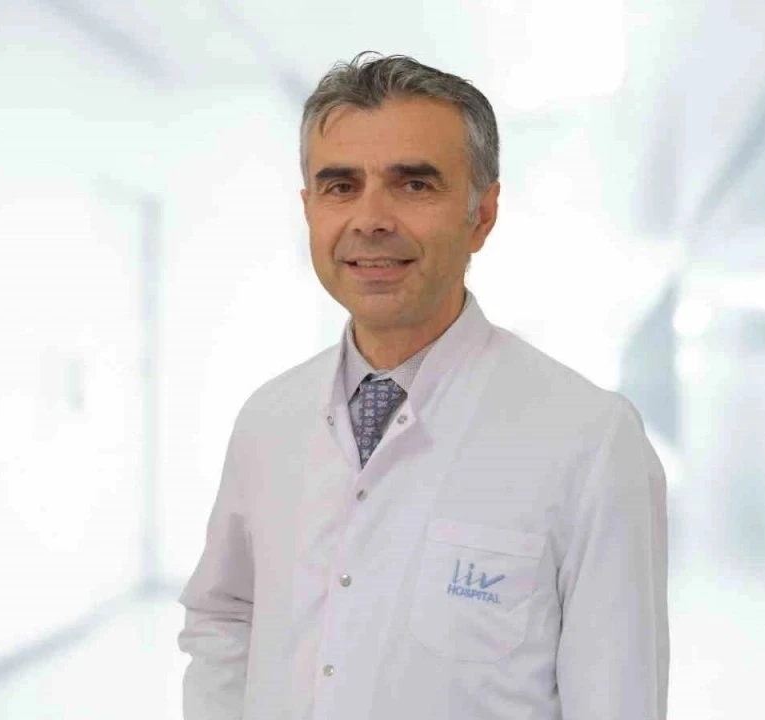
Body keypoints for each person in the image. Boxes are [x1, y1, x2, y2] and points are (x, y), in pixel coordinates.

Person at [178, 51, 669, 720]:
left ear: (482, 214)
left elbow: (617, 700)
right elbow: (226, 617)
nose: (371, 219)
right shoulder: (269, 419)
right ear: (309, 208)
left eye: (413, 184)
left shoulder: (590, 439)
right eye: (340, 186)